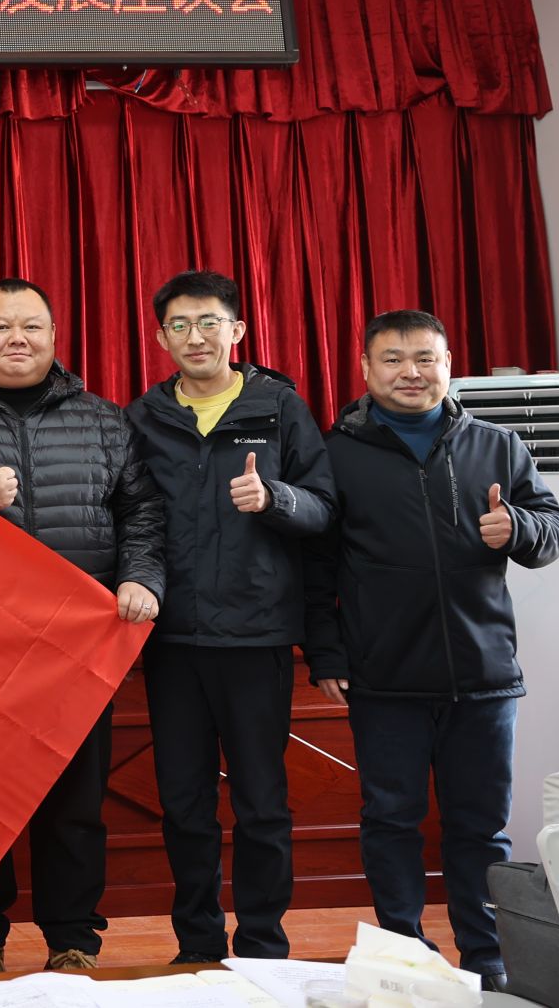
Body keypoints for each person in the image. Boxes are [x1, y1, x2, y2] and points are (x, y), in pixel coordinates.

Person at [0, 277, 164, 973]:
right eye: (1, 326)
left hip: (76, 649)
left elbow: (141, 512)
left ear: (53, 335)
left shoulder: (105, 421)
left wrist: (141, 576)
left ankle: (73, 939)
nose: (17, 338)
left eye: (31, 326)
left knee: (75, 803)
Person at [304, 310, 559, 990]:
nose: (410, 372)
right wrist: (327, 654)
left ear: (448, 364)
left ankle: (487, 957)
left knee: (481, 828)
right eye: (392, 359)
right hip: (384, 677)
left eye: (425, 358)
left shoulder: (497, 445)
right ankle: (405, 955)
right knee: (390, 820)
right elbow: (317, 568)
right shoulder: (335, 452)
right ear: (365, 368)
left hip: (484, 675)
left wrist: (518, 527)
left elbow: (553, 527)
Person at [125, 270, 337, 962]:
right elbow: (127, 516)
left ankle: (263, 945)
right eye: (179, 325)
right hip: (174, 641)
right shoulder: (143, 418)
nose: (196, 336)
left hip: (256, 636)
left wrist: (275, 498)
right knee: (184, 804)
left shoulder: (279, 407)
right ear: (162, 337)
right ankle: (197, 945)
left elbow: (325, 507)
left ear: (237, 330)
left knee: (262, 804)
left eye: (209, 321)